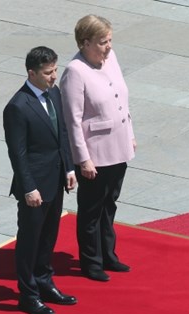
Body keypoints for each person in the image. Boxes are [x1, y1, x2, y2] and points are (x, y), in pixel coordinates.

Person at [3, 46, 78, 314]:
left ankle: (45, 283)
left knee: (48, 237)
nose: (54, 77)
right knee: (30, 241)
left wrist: (69, 168)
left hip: (56, 179)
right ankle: (28, 294)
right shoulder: (17, 107)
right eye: (48, 73)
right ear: (31, 73)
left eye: (55, 70)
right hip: (34, 186)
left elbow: (62, 134)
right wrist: (28, 188)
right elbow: (18, 153)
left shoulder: (54, 93)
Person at [60, 14, 136, 282]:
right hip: (95, 155)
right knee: (91, 209)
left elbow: (122, 100)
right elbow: (72, 120)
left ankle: (108, 254)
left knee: (110, 204)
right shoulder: (74, 72)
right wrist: (83, 160)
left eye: (110, 40)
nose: (108, 47)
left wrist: (131, 134)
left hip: (119, 146)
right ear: (85, 42)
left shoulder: (110, 59)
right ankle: (91, 262)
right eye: (103, 42)